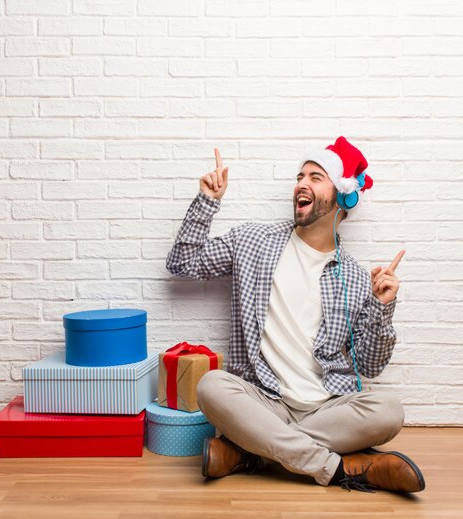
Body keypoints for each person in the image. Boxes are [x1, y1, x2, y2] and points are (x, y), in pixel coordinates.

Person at [165, 137, 425, 493]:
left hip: (327, 410)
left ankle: (251, 452)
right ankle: (339, 470)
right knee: (211, 385)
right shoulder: (253, 241)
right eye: (300, 176)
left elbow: (370, 366)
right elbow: (182, 263)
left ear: (344, 198)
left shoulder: (353, 276)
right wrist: (207, 202)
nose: (302, 183)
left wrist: (383, 307)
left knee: (390, 410)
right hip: (264, 401)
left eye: (316, 177)